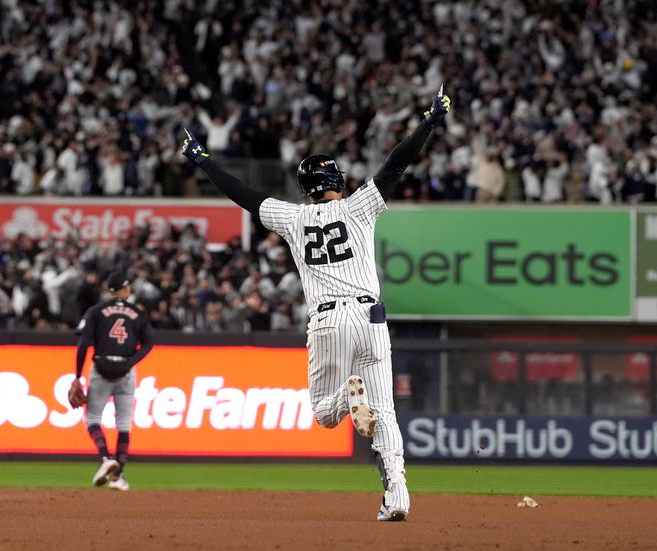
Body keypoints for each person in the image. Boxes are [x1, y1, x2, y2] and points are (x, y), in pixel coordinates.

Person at [181, 86, 451, 522]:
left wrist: (202, 160)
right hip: (371, 315)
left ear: (307, 187)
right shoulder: (362, 206)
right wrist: (430, 120)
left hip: (328, 319)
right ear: (338, 181)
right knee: (386, 413)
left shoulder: (294, 217)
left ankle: (349, 395)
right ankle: (397, 494)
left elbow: (242, 194)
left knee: (326, 415)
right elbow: (398, 161)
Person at [68, 271, 154, 491]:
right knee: (124, 423)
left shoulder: (96, 311)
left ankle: (106, 458)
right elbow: (148, 344)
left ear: (109, 290)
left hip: (102, 367)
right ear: (126, 290)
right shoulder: (138, 313)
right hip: (126, 370)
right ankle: (118, 477)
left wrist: (77, 376)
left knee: (93, 419)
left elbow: (84, 344)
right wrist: (131, 361)